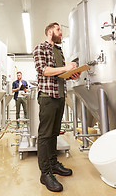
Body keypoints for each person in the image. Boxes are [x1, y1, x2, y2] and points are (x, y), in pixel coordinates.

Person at [33, 22, 80, 192]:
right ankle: (45, 173)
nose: (61, 32)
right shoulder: (41, 48)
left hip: (60, 96)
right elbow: (43, 70)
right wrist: (65, 68)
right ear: (50, 31)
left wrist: (71, 74)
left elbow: (60, 73)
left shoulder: (59, 51)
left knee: (54, 133)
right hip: (47, 96)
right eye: (59, 29)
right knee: (45, 135)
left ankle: (53, 164)